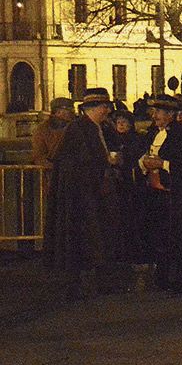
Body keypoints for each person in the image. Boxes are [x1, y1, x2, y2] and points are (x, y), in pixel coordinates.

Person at [44, 89, 112, 294]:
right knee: (78, 237)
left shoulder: (97, 128)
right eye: (104, 107)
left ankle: (96, 281)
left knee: (95, 236)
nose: (107, 111)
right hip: (80, 195)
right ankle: (76, 284)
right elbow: (73, 162)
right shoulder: (79, 130)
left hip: (93, 191)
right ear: (93, 109)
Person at [138, 94, 182, 294]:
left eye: (159, 112)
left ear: (170, 114)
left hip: (176, 194)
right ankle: (162, 278)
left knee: (179, 237)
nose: (155, 115)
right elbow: (145, 157)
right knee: (160, 237)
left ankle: (181, 281)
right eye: (154, 111)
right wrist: (143, 163)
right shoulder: (152, 134)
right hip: (155, 193)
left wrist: (163, 164)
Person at [101, 110, 149, 269]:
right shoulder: (111, 139)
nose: (121, 125)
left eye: (124, 122)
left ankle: (134, 252)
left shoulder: (136, 138)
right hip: (117, 182)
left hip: (133, 182)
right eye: (118, 122)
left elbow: (138, 156)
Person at [32, 97, 75, 168]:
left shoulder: (74, 126)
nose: (72, 113)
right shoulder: (43, 129)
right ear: (58, 112)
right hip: (52, 172)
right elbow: (39, 155)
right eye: (69, 110)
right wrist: (54, 167)